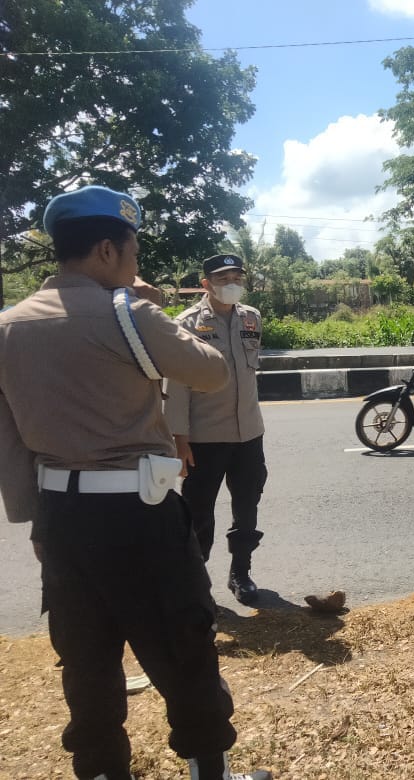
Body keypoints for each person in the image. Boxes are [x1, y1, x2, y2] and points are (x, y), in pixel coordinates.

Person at [0, 185, 272, 779]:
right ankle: (211, 772)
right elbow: (211, 370)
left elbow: (9, 436)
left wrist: (36, 521)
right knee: (185, 648)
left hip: (62, 519)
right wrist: (144, 303)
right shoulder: (130, 313)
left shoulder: (9, 325)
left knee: (86, 659)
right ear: (105, 249)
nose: (136, 263)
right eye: (133, 250)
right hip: (139, 515)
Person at [164, 254, 267, 606]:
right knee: (197, 514)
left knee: (247, 507)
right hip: (204, 438)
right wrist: (179, 438)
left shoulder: (251, 317)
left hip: (249, 434)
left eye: (237, 276)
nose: (231, 283)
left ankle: (241, 572)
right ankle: (196, 583)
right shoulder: (187, 324)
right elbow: (176, 385)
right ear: (206, 284)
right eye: (223, 278)